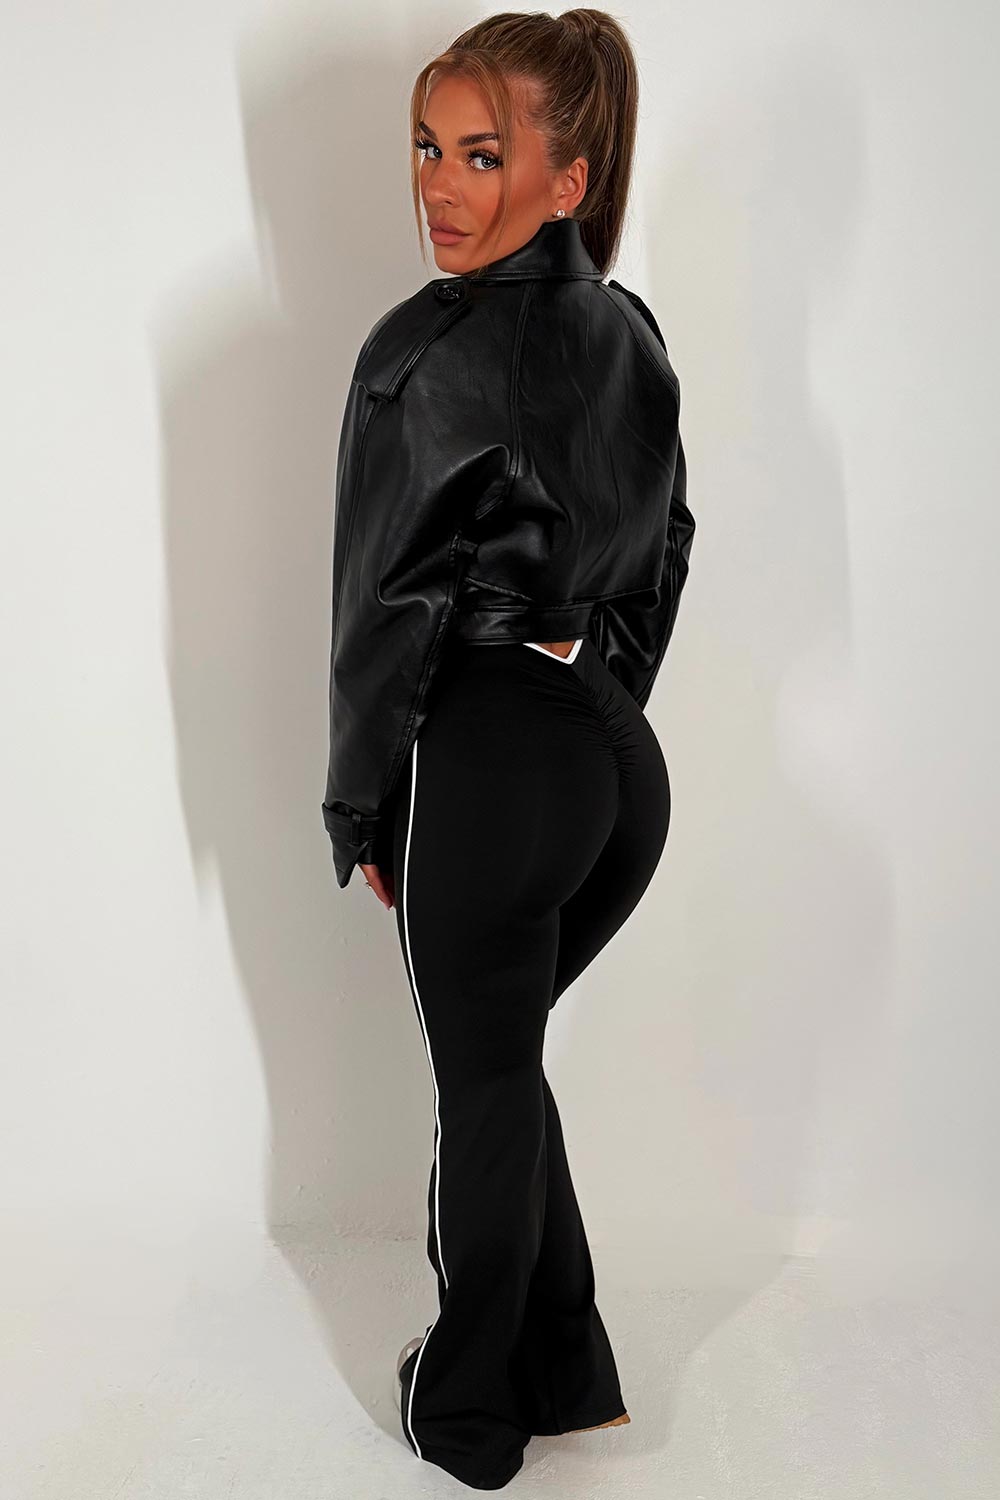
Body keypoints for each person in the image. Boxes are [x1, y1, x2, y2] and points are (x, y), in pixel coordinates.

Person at [320, 8, 695, 1490]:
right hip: (614, 769)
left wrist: (359, 801)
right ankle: (570, 1363)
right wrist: (596, 702)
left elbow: (383, 608)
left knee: (479, 1088)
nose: (440, 185)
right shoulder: (633, 331)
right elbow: (666, 541)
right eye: (428, 147)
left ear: (567, 178)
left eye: (484, 155)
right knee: (507, 1056)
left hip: (485, 769)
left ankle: (469, 1412)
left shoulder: (421, 351)